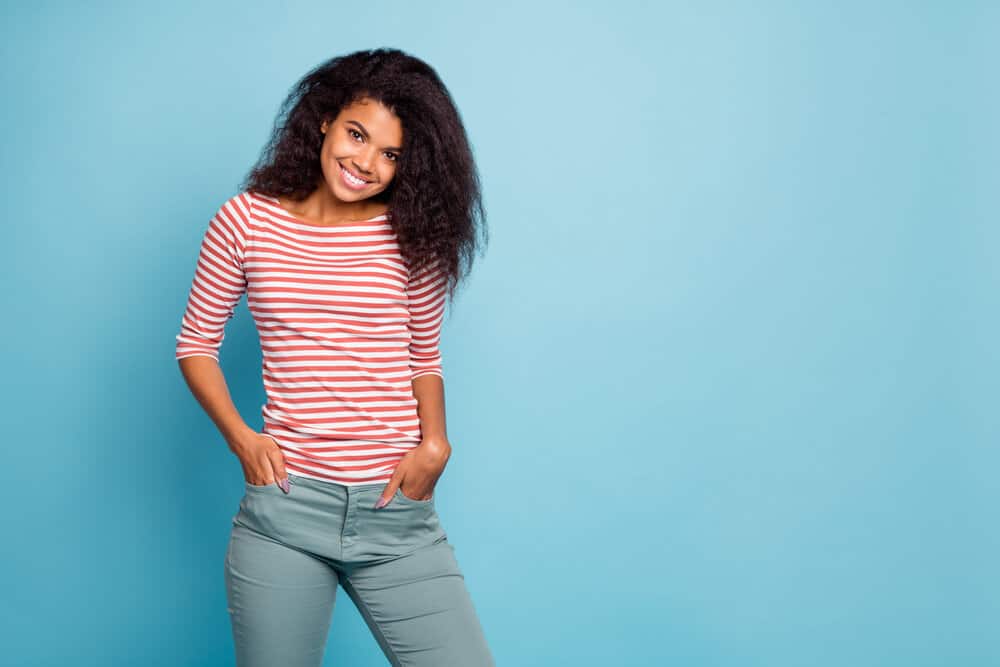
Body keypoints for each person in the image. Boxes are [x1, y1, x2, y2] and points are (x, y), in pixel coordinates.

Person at [174, 48, 494, 667]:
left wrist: (436, 444)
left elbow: (423, 355)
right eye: (356, 134)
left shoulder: (412, 236)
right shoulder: (246, 221)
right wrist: (242, 438)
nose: (365, 163)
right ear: (325, 120)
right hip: (286, 514)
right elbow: (196, 345)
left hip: (395, 516)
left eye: (390, 154)